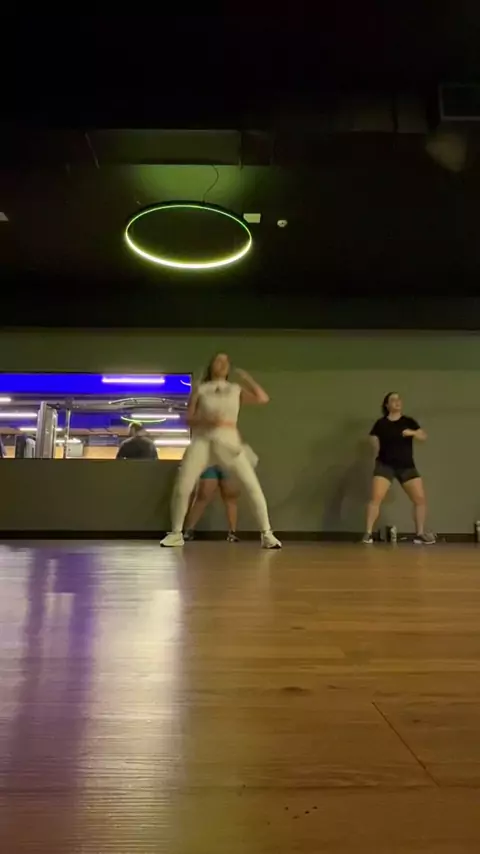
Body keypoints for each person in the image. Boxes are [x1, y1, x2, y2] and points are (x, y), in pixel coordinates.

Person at [160, 353, 281, 548]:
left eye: (226, 361)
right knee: (183, 486)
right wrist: (206, 420)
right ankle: (176, 533)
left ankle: (267, 534)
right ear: (211, 366)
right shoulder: (201, 389)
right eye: (218, 360)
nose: (222, 363)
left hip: (229, 442)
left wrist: (247, 379)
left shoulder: (235, 389)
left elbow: (262, 398)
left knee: (251, 486)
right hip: (203, 441)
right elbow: (188, 418)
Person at [363, 392, 435, 544]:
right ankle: (368, 534)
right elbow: (373, 438)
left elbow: (423, 436)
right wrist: (375, 445)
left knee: (420, 499)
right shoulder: (381, 423)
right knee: (375, 498)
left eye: (398, 399)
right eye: (393, 399)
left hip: (406, 466)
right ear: (387, 405)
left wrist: (412, 433)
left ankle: (420, 533)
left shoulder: (408, 421)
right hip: (385, 465)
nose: (397, 401)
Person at [184, 466, 240, 542]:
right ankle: (189, 529)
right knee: (203, 495)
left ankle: (232, 532)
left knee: (230, 496)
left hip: (228, 463)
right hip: (210, 463)